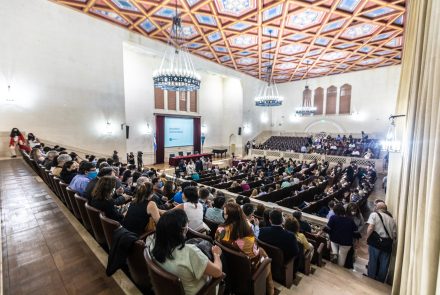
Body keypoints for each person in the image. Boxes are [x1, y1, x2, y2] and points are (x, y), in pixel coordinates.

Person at [151, 210, 223, 295]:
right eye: (187, 223)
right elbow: (218, 272)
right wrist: (216, 254)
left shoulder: (152, 245)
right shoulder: (190, 252)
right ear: (183, 230)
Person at [215, 203, 274, 295]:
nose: (224, 214)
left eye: (225, 213)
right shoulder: (247, 239)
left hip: (228, 263)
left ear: (230, 217)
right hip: (246, 268)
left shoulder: (220, 229)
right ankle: (270, 290)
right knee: (265, 257)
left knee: (262, 251)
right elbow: (254, 255)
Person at [366, 202, 397, 282]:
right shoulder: (392, 219)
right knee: (384, 264)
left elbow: (370, 228)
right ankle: (380, 281)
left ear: (377, 207)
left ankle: (371, 278)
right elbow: (394, 235)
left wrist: (367, 237)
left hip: (375, 242)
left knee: (373, 261)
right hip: (387, 244)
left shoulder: (374, 215)